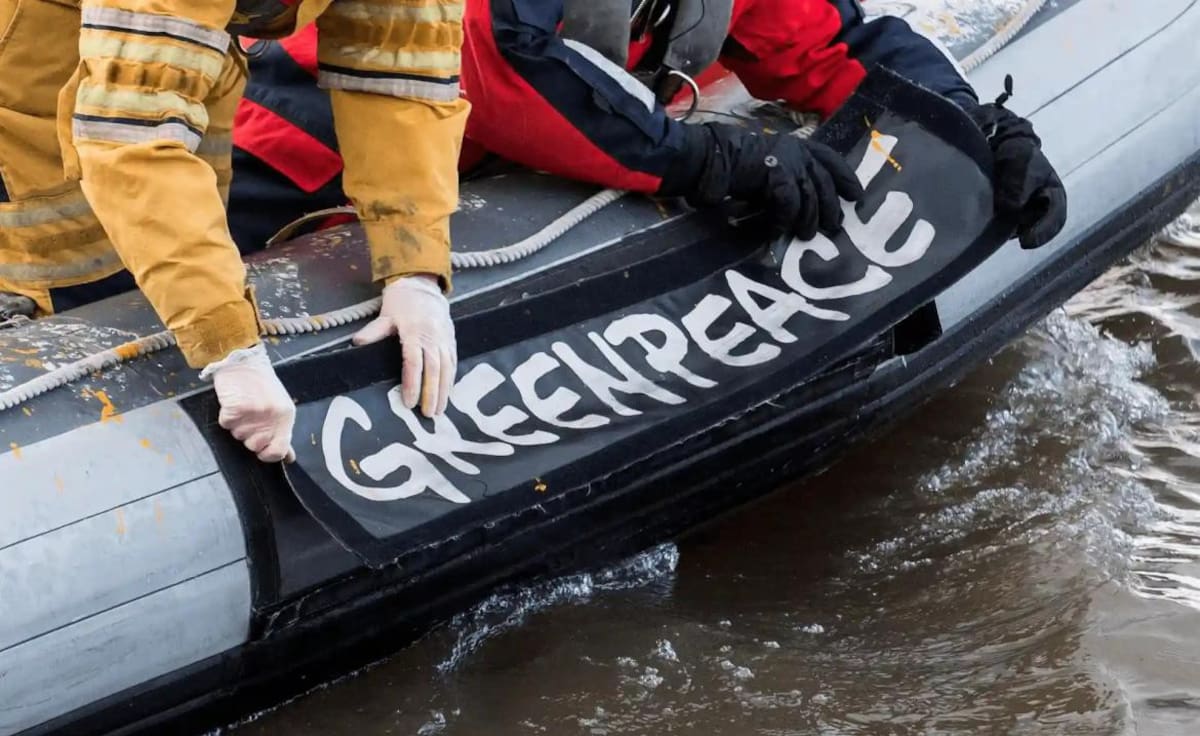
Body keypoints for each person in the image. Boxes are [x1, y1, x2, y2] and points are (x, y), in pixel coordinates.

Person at [0, 0, 468, 463]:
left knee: (166, 278)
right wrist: (227, 343)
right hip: (37, 91)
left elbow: (401, 62)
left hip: (178, 73)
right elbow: (132, 136)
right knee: (69, 273)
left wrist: (414, 261)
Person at [227, 0, 1066, 258]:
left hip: (469, 178)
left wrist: (979, 129)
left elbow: (833, 47)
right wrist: (711, 158)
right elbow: (503, 57)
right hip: (296, 161)